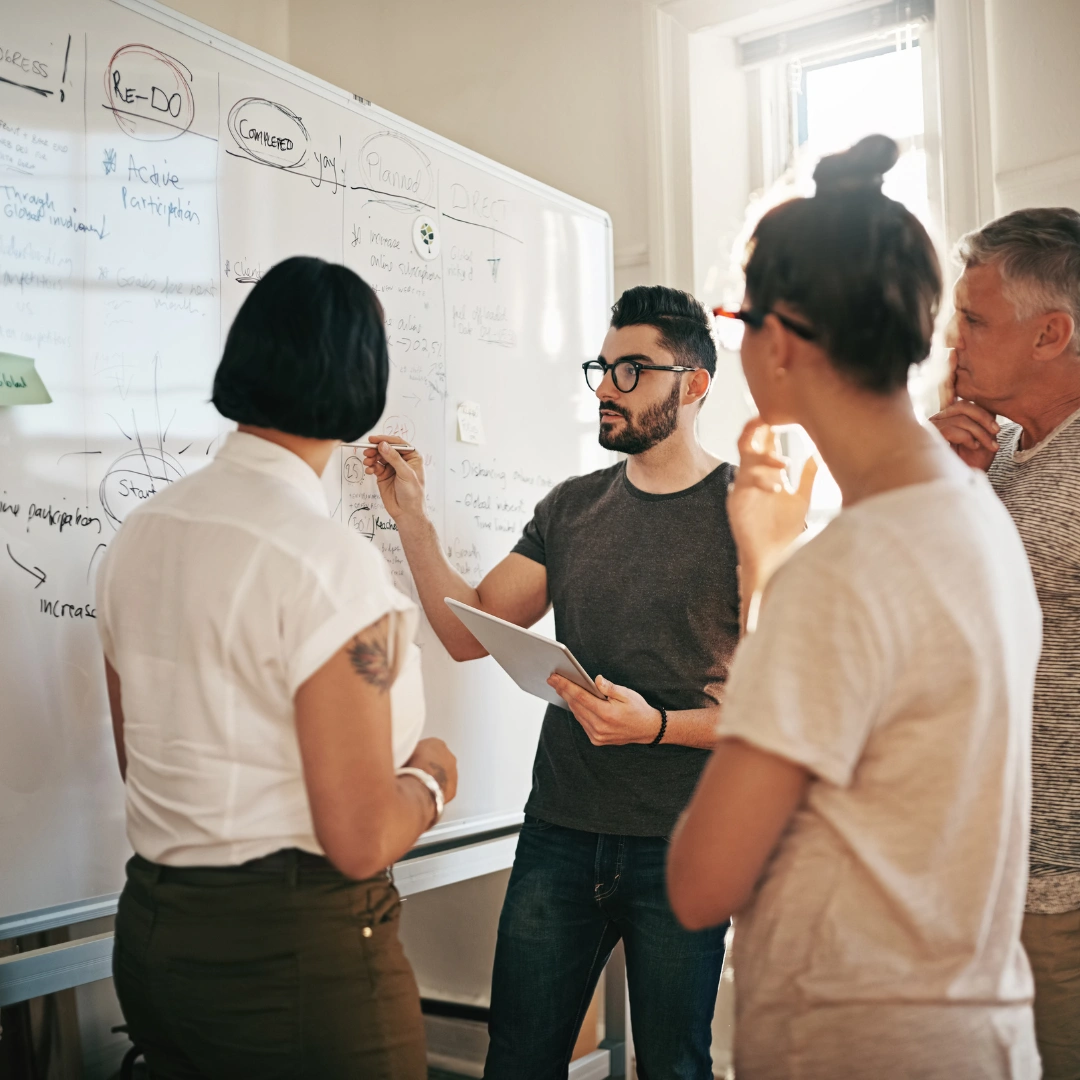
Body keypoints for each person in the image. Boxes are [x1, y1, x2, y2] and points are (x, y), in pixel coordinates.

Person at [666, 135, 1042, 1079]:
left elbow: (702, 882)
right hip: (975, 1030)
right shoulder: (977, 515)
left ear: (780, 340)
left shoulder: (846, 572)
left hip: (858, 1039)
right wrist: (769, 561)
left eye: (735, 320)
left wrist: (769, 573)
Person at [362, 286, 740, 1079]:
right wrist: (414, 523)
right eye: (603, 367)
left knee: (673, 1067)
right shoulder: (570, 509)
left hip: (684, 843)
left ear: (694, 385)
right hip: (560, 834)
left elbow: (783, 706)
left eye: (632, 370)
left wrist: (660, 727)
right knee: (519, 1062)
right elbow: (472, 633)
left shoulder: (747, 512)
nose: (606, 386)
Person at [96, 256, 457, 1079]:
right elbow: (362, 838)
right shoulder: (332, 566)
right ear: (363, 381)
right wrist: (434, 777)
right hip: (294, 961)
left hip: (153, 939)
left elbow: (136, 760)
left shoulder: (138, 536)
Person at [930, 206, 1080, 1080]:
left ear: (1052, 333)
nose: (954, 341)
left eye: (976, 320)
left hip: (1063, 888)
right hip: (979, 873)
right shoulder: (987, 452)